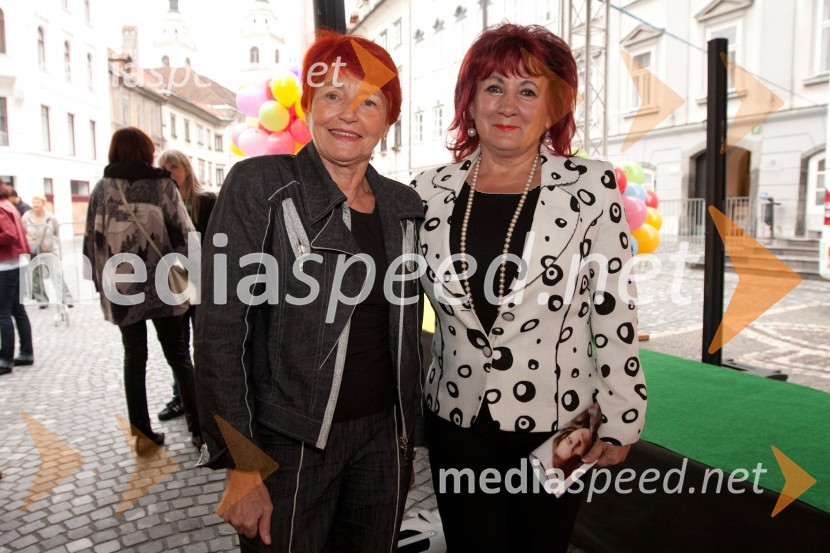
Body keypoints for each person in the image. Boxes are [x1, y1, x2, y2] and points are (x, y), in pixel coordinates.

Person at [411, 24, 647, 552]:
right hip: (457, 420)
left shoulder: (591, 188)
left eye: (528, 90)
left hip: (558, 424)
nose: (508, 105)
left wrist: (623, 416)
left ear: (553, 108)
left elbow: (614, 311)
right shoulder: (426, 192)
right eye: (493, 86)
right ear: (469, 101)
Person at [195, 31, 423, 552]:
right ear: (308, 106)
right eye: (333, 94)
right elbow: (219, 334)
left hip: (384, 440)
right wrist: (242, 464)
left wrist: (403, 450)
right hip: (287, 445)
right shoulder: (261, 186)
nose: (349, 114)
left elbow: (408, 335)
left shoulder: (402, 205)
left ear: (387, 121)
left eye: (369, 101)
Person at [83, 126, 202, 454]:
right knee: (179, 355)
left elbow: (92, 240)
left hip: (122, 287)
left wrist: (98, 283)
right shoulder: (163, 185)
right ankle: (200, 431)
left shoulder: (102, 189)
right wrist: (194, 276)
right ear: (147, 152)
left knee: (134, 357)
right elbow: (184, 232)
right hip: (164, 282)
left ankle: (142, 436)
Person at [156, 150, 216, 422]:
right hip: (173, 281)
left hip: (203, 281)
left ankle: (207, 399)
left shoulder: (206, 200)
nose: (170, 171)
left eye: (174, 165)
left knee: (204, 343)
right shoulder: (160, 201)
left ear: (186, 168)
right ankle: (181, 396)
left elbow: (219, 241)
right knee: (179, 346)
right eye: (164, 167)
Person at [0, 178, 34, 375]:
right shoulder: (8, 205)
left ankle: (5, 359)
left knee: (3, 312)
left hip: (6, 264)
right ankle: (26, 353)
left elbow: (9, 235)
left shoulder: (1, 207)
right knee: (16, 309)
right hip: (16, 262)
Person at [22, 195, 74, 309]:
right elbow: (22, 231)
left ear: (43, 203)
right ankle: (42, 300)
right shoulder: (26, 217)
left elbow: (55, 231)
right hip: (32, 250)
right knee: (35, 277)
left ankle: (66, 298)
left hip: (48, 249)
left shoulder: (50, 217)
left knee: (56, 274)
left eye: (38, 202)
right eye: (34, 202)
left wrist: (50, 243)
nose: (35, 204)